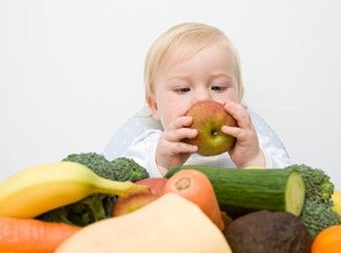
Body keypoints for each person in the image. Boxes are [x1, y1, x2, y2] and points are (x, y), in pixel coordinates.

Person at [103, 22, 292, 177]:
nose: (203, 99)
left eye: (218, 87)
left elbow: (294, 186)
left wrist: (253, 159)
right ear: (154, 106)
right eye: (183, 89)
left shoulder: (254, 143)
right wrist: (161, 166)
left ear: (239, 97)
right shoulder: (149, 149)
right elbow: (122, 193)